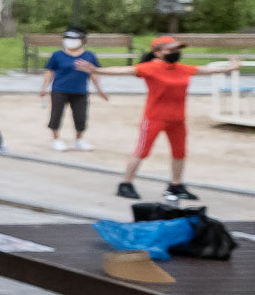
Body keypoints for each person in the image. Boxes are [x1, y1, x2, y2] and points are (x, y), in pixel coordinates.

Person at [113, 37, 244, 202]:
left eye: (176, 50)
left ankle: (176, 185)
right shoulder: (150, 68)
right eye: (170, 50)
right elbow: (123, 70)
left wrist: (232, 66)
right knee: (142, 151)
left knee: (180, 152)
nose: (175, 53)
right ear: (157, 52)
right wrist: (95, 71)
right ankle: (126, 183)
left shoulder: (182, 69)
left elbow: (208, 70)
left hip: (177, 119)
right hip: (155, 118)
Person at [42, 28, 107, 151]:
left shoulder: (89, 56)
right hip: (60, 89)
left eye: (73, 39)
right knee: (56, 114)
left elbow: (94, 73)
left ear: (82, 41)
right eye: (67, 39)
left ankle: (79, 140)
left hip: (80, 91)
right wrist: (44, 87)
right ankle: (56, 139)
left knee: (80, 116)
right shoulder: (57, 55)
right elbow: (49, 71)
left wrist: (99, 89)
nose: (70, 42)